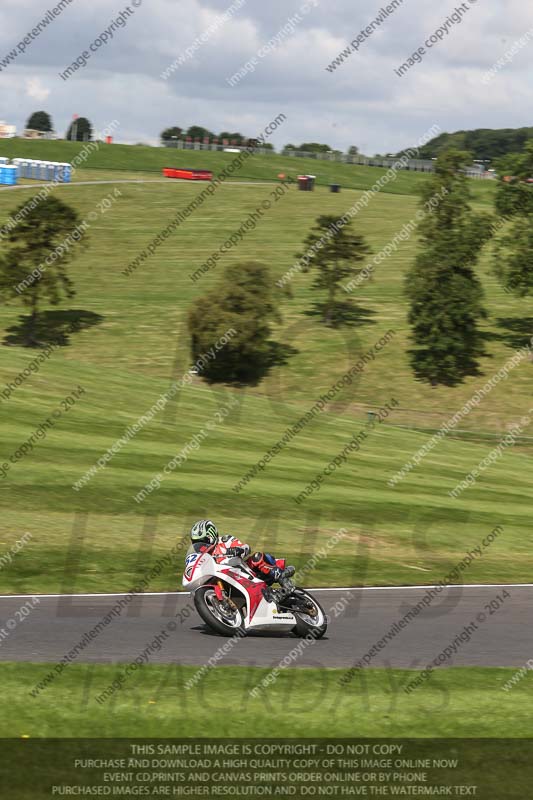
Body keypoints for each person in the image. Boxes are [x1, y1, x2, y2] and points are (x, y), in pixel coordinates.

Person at [188, 519, 295, 589]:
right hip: (226, 580)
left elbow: (246, 548)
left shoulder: (225, 541)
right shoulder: (203, 557)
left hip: (244, 574)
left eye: (201, 542)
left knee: (257, 557)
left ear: (210, 536)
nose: (200, 546)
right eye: (196, 543)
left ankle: (282, 578)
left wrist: (237, 550)